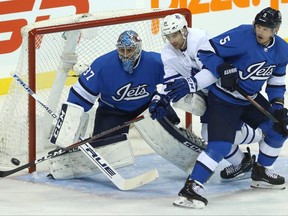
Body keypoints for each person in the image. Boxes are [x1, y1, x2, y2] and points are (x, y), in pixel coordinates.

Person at [167, 7, 288, 208]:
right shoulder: (242, 35)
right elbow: (205, 51)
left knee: (279, 129)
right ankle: (192, 188)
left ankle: (261, 172)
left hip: (250, 98)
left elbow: (277, 81)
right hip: (223, 99)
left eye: (266, 29)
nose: (260, 31)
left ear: (275, 30)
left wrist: (277, 105)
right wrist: (222, 67)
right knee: (220, 145)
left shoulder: (282, 50)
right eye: (258, 26)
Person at [48, 30, 179, 179]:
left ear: (137, 49)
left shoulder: (155, 62)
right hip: (113, 111)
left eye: (129, 50)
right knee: (104, 150)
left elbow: (173, 83)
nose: (124, 54)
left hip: (147, 107)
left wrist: (162, 99)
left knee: (171, 128)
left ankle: (184, 139)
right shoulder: (102, 65)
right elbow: (79, 96)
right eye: (121, 50)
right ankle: (67, 162)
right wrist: (68, 130)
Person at [148, 13, 262, 183]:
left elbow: (212, 71)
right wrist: (160, 97)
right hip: (207, 93)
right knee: (209, 135)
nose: (172, 40)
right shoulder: (168, 52)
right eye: (168, 36)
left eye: (175, 35)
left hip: (226, 91)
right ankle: (243, 162)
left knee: (219, 135)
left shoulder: (199, 38)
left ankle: (262, 134)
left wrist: (191, 84)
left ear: (184, 30)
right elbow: (171, 80)